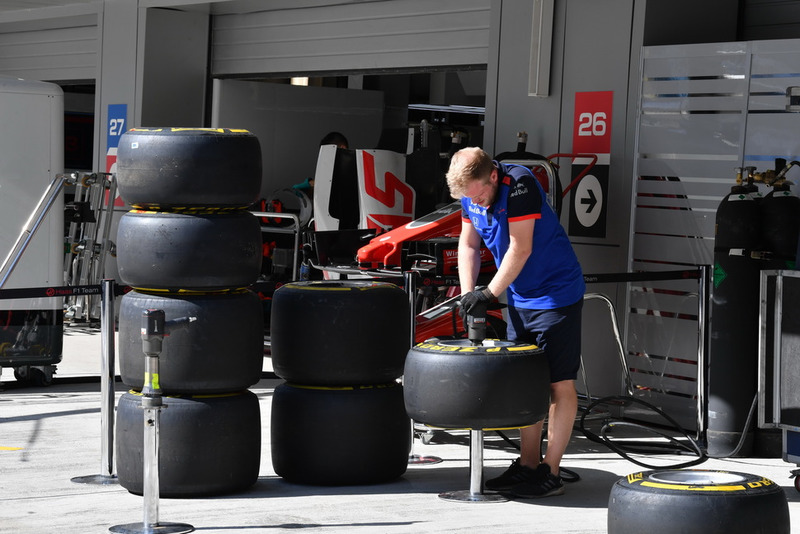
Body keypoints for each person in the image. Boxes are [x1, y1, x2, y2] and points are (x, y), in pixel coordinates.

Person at [446, 146, 585, 499]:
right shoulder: (470, 194)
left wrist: (488, 294)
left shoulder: (520, 183)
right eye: (468, 198)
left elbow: (519, 248)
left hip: (556, 294)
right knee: (528, 381)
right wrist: (469, 296)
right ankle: (527, 465)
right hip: (519, 296)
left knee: (558, 382)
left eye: (478, 195)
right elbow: (469, 245)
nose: (475, 203)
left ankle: (550, 471)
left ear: (492, 175)